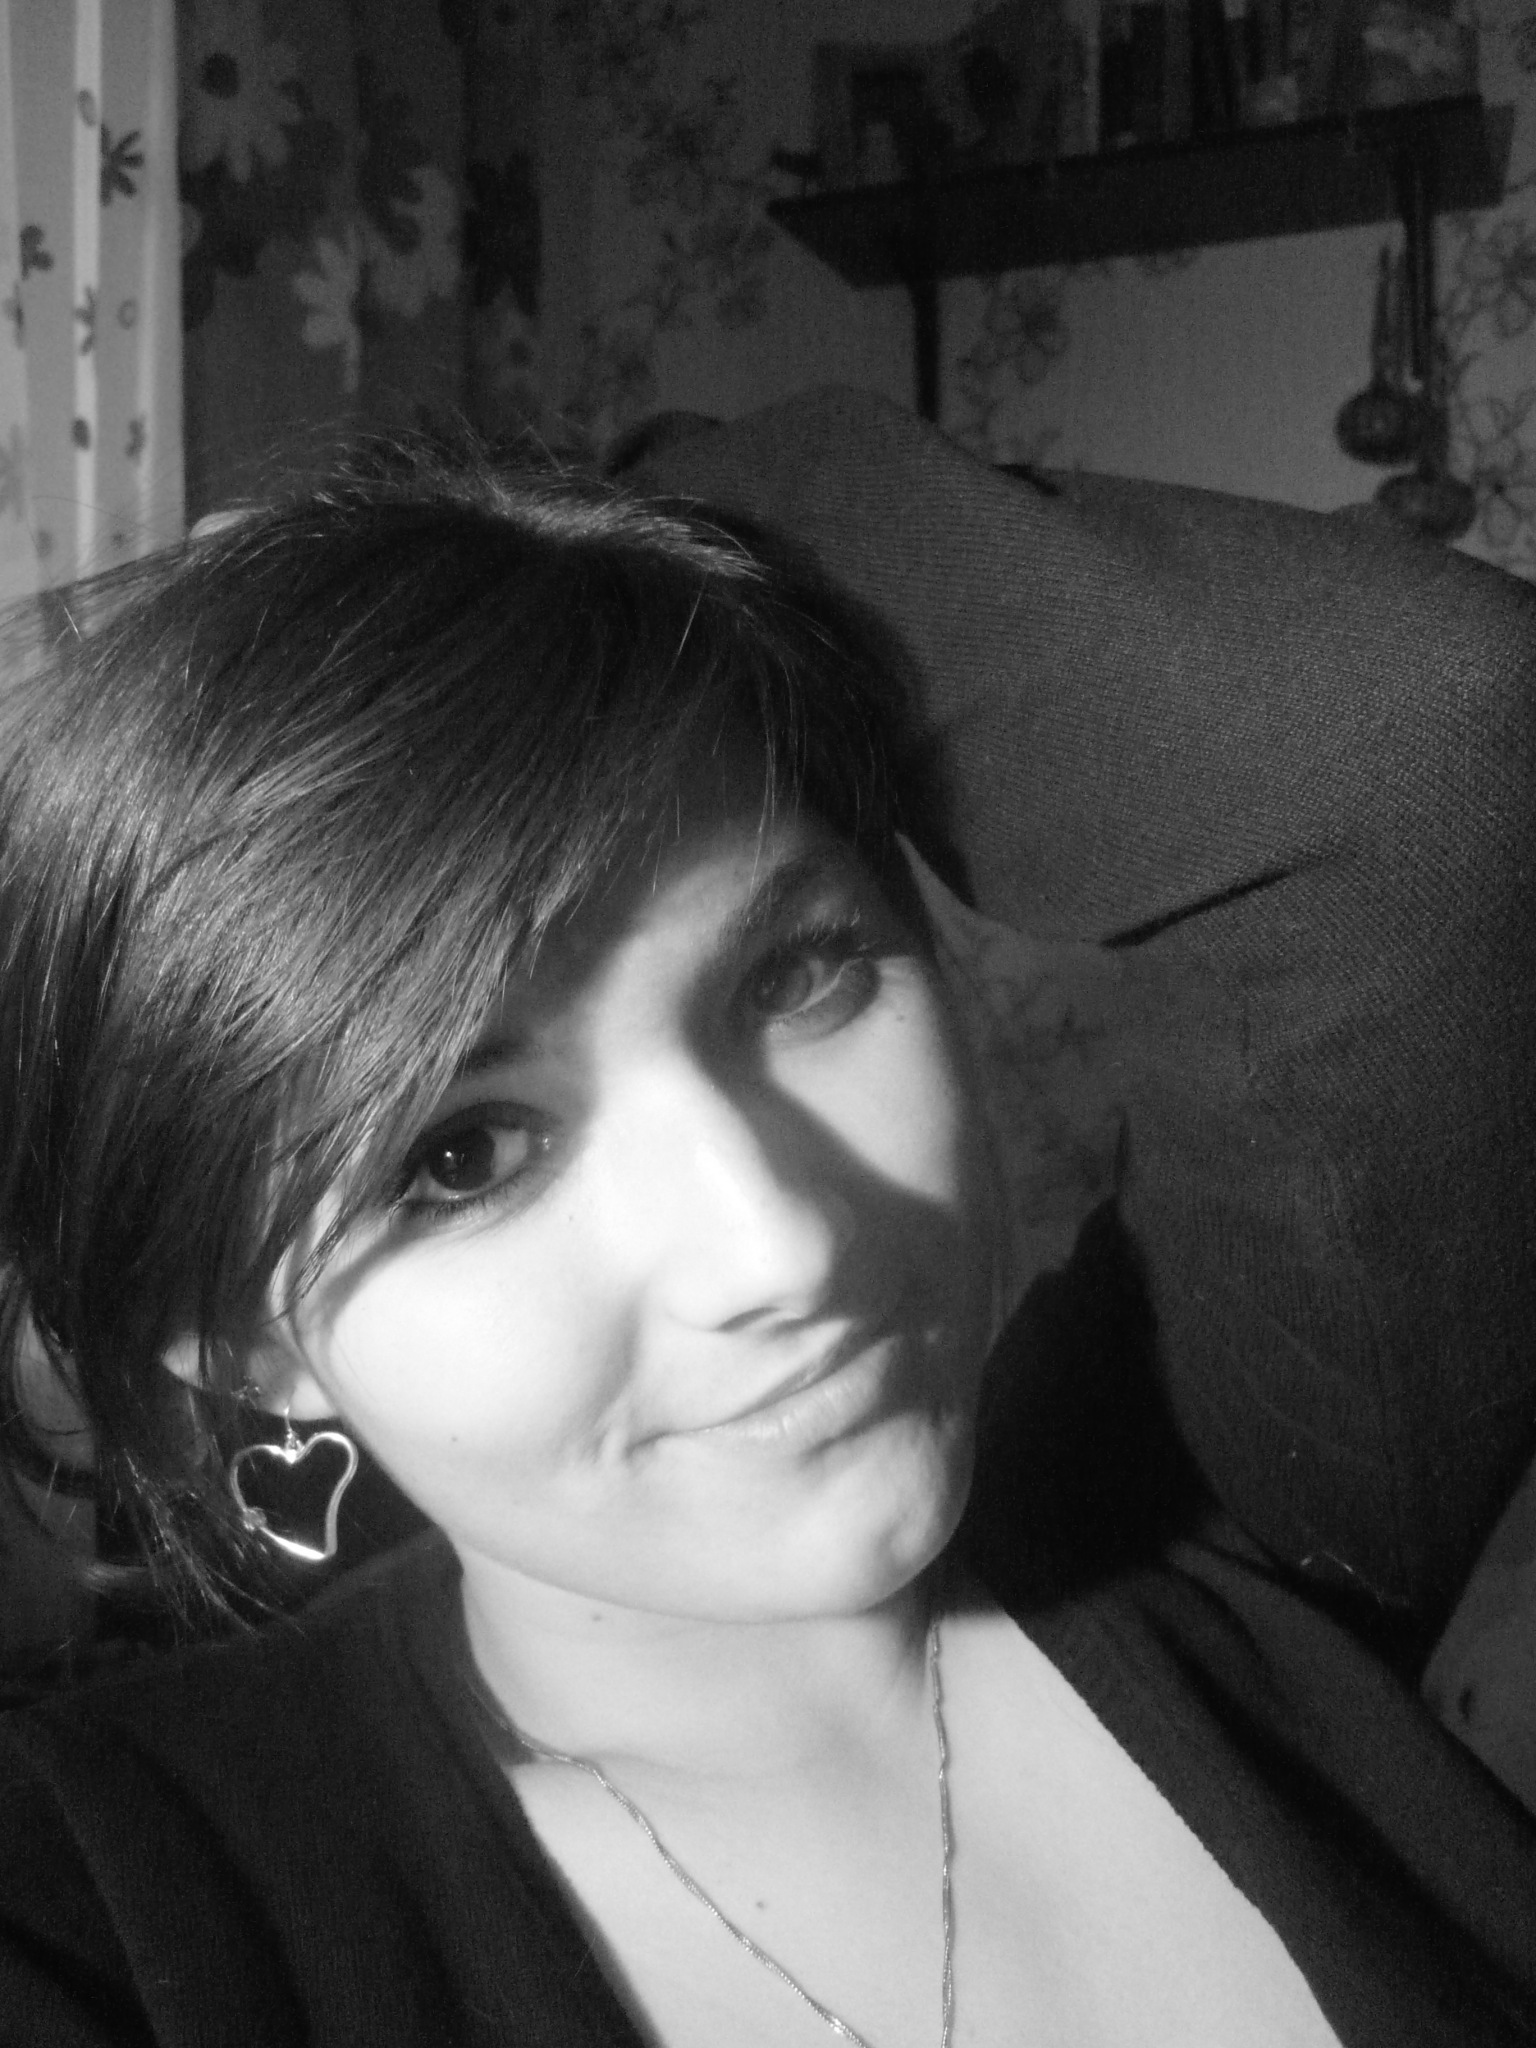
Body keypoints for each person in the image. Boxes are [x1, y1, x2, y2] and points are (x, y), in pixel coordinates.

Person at [0, 391, 1532, 2048]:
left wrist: (601, 537)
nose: (783, 1244)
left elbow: (1425, 748)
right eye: (462, 1154)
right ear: (237, 1334)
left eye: (799, 975)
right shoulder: (99, 1912)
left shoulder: (1228, 1502)